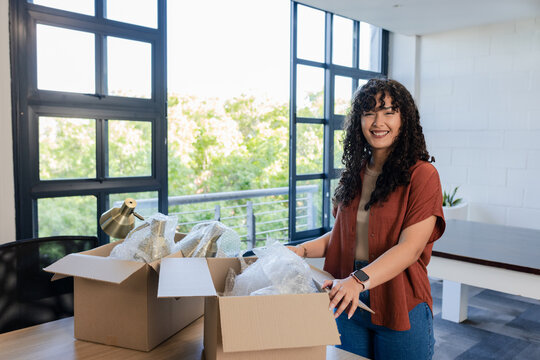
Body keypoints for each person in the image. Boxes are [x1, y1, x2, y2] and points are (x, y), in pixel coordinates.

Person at [288, 78, 445, 359]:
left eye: (388, 112)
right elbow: (340, 236)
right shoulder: (354, 173)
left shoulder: (423, 175)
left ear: (404, 119)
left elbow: (410, 248)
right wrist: (300, 251)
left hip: (400, 304)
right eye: (369, 112)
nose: (377, 121)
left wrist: (357, 280)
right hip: (346, 302)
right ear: (359, 120)